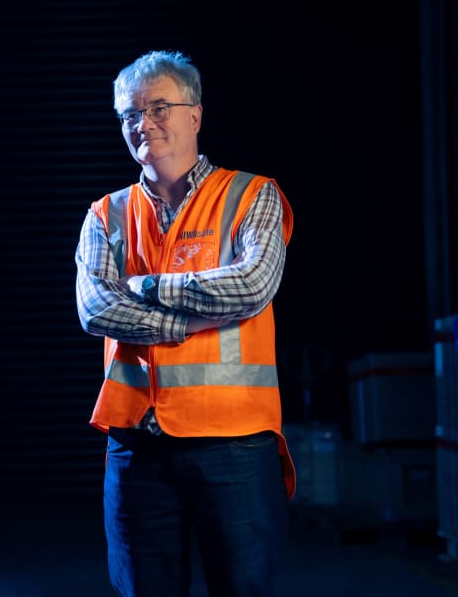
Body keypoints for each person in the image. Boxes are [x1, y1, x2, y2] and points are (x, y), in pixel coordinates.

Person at [74, 50, 296, 597]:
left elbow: (251, 287)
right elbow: (96, 310)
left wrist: (149, 287)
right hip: (137, 449)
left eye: (158, 108)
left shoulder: (251, 196)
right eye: (129, 114)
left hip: (236, 447)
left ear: (194, 114)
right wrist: (190, 318)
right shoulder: (106, 215)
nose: (142, 123)